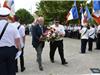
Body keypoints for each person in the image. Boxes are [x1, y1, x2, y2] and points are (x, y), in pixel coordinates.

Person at [0, 7, 21, 75]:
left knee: (1, 70)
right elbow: (17, 40)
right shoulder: (13, 26)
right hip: (10, 51)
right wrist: (20, 50)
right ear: (8, 16)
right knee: (11, 69)